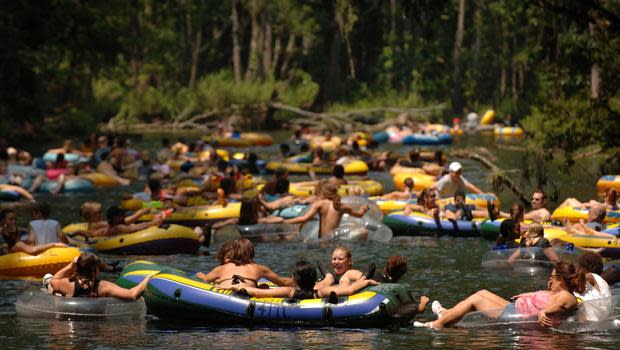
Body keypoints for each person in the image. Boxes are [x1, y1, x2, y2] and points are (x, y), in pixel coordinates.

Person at [416, 261, 584, 329]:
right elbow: (538, 294)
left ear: (561, 280)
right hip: (514, 307)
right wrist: (523, 296)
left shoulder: (567, 296)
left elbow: (560, 306)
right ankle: (446, 313)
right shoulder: (556, 291)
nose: (549, 281)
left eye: (552, 278)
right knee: (482, 292)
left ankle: (437, 325)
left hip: (515, 315)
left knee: (476, 299)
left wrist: (544, 312)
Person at [195, 238, 293, 289]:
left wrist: (201, 275)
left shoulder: (222, 268)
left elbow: (205, 280)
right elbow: (283, 283)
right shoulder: (258, 268)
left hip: (223, 294)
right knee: (264, 287)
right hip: (244, 295)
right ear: (252, 253)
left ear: (233, 252)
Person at [49, 253, 151, 300]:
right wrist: (148, 277)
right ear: (96, 269)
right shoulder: (104, 287)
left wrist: (70, 265)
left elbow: (53, 280)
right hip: (95, 331)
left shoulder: (67, 283)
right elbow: (131, 295)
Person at [283, 183, 369, 238]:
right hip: (334, 241)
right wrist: (364, 208)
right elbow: (359, 215)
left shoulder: (320, 204)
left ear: (324, 193)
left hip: (322, 242)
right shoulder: (341, 206)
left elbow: (304, 219)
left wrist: (284, 221)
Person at [0, 208, 66, 255]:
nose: (13, 222)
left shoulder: (16, 232)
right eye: (10, 219)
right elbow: (32, 250)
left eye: (15, 219)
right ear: (2, 220)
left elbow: (21, 242)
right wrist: (53, 244)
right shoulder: (2, 231)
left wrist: (26, 242)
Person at [573, 252, 612, 322]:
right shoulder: (604, 283)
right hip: (602, 320)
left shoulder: (590, 276)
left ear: (582, 268)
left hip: (588, 321)